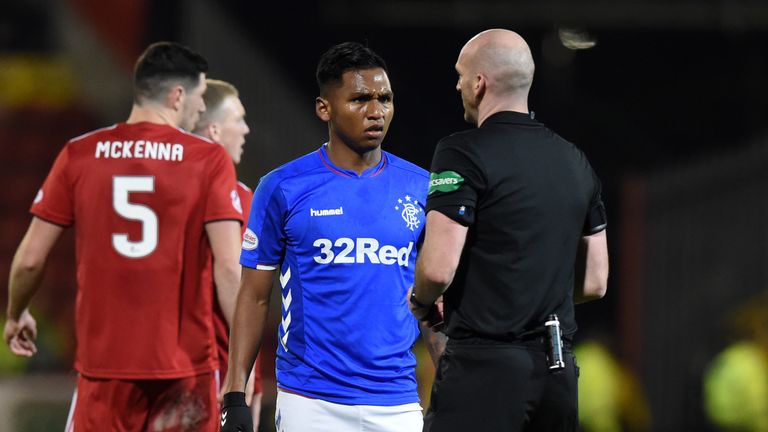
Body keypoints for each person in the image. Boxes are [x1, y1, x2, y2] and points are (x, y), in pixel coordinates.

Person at [3, 42, 244, 431]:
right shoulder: (208, 160)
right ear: (177, 95)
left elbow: (31, 258)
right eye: (199, 98)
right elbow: (230, 269)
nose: (201, 110)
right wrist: (243, 361)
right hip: (185, 372)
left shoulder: (79, 153)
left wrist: (17, 314)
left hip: (104, 372)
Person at [220, 42, 435, 432]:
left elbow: (435, 301)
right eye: (360, 99)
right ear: (325, 108)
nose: (376, 111)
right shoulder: (282, 188)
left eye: (384, 98)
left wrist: (451, 384)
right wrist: (235, 393)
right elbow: (253, 295)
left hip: (397, 399)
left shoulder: (421, 188)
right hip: (310, 399)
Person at [408, 29, 609, 431]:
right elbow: (595, 281)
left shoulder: (461, 152)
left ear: (479, 83)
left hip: (485, 372)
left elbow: (436, 271)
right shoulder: (576, 161)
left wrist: (420, 299)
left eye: (461, 75)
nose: (458, 84)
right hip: (558, 376)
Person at [192, 78, 263, 427]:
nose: (246, 129)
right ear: (216, 129)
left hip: (225, 367)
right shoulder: (237, 197)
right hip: (216, 370)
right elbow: (234, 275)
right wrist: (242, 375)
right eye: (239, 119)